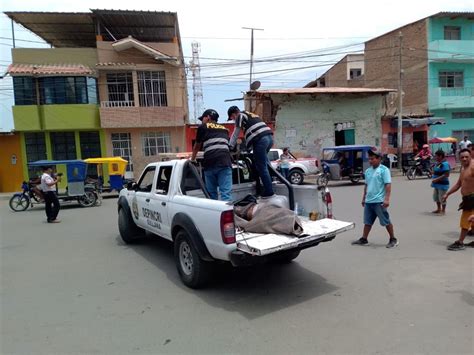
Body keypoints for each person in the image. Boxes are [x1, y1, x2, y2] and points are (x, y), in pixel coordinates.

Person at [352, 147, 398, 248]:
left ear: (379, 159)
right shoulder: (368, 171)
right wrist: (364, 198)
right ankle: (364, 239)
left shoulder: (384, 170)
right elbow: (366, 186)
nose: (370, 160)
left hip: (379, 201)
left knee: (386, 221)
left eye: (373, 158)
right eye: (369, 158)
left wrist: (386, 199)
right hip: (369, 201)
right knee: (367, 221)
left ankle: (393, 239)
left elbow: (388, 185)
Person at [228, 106, 274, 198]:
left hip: (260, 139)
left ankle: (269, 191)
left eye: (232, 118)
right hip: (269, 138)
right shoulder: (251, 115)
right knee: (264, 162)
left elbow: (236, 132)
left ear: (233, 114)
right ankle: (271, 179)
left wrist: (230, 146)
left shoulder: (240, 115)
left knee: (261, 166)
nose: (233, 120)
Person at [191, 109, 232, 201]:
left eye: (203, 118)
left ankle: (214, 214)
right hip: (225, 162)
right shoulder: (225, 129)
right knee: (226, 194)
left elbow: (197, 146)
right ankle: (228, 214)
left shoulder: (203, 127)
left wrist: (192, 159)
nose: (202, 121)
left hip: (210, 163)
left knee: (212, 195)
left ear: (208, 117)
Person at [442, 149, 474, 250]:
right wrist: (447, 193)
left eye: (466, 157)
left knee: (465, 220)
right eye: (462, 157)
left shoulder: (473, 167)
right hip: (467, 199)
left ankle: (460, 242)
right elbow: (459, 184)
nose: (464, 159)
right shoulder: (464, 168)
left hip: (472, 199)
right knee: (472, 221)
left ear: (470, 156)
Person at [431, 150, 450, 215]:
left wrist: (437, 179)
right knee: (436, 197)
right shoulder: (439, 163)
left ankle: (443, 210)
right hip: (436, 184)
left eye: (436, 156)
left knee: (442, 197)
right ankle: (438, 209)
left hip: (442, 184)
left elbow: (446, 174)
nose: (435, 157)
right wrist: (433, 172)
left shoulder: (445, 164)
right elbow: (437, 170)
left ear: (440, 156)